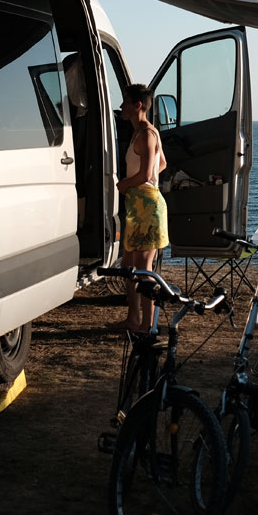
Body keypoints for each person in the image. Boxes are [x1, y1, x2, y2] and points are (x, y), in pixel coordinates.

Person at [113, 83, 169, 332]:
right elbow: (162, 164)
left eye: (125, 102)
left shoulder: (147, 134)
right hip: (139, 206)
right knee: (128, 265)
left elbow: (147, 173)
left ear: (138, 105)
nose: (121, 106)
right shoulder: (145, 133)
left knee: (144, 270)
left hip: (146, 207)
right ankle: (134, 318)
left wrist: (126, 183)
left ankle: (148, 325)